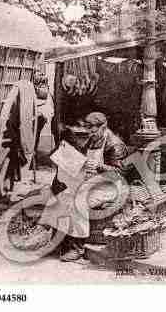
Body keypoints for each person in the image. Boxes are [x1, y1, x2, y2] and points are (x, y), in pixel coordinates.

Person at [45, 112, 129, 262]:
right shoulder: (92, 140)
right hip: (93, 181)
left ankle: (77, 247)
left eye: (94, 131)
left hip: (111, 186)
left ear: (104, 127)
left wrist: (99, 166)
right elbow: (82, 160)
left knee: (79, 199)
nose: (90, 134)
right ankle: (58, 240)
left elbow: (120, 173)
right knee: (63, 193)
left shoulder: (115, 145)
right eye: (88, 131)